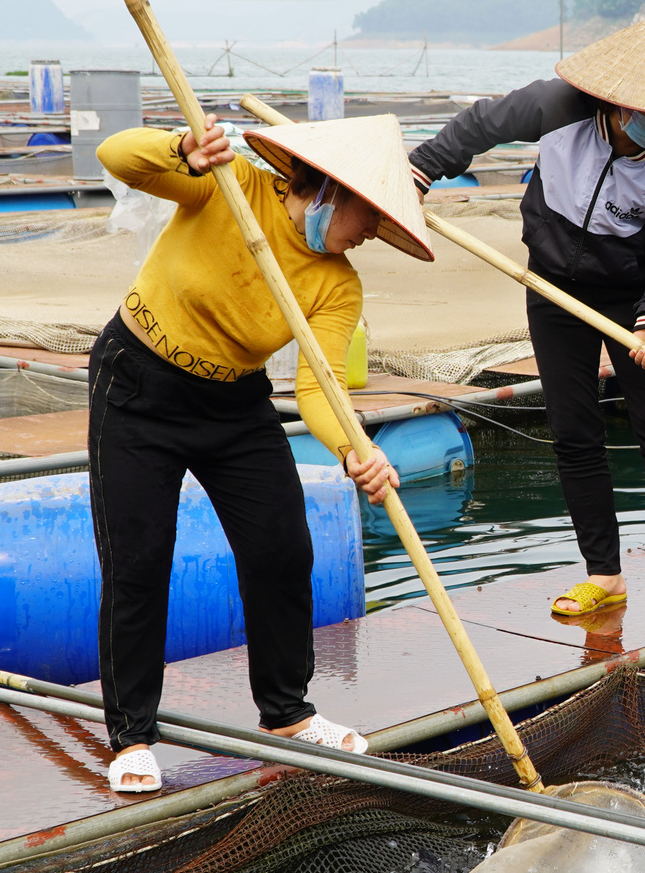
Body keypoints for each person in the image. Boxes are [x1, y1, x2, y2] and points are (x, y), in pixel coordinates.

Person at [92, 114, 431, 793]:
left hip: (234, 403)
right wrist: (182, 150)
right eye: (371, 216)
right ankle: (132, 734)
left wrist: (354, 449)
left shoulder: (339, 283)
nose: (371, 234)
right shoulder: (232, 184)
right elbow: (117, 156)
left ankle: (287, 712)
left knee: (282, 547)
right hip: (139, 384)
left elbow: (320, 383)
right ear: (333, 189)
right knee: (139, 559)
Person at [407, 13, 645, 627]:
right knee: (574, 431)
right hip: (554, 287)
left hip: (631, 295)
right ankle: (604, 577)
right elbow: (482, 123)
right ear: (618, 107)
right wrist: (422, 167)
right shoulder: (558, 106)